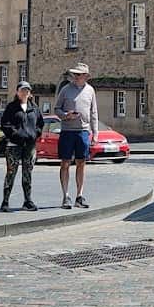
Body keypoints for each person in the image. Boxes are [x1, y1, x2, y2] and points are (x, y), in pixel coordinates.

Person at [54, 63, 97, 209]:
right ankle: (65, 196)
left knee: (81, 163)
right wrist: (66, 115)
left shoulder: (91, 91)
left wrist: (95, 133)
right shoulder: (65, 90)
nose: (76, 77)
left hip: (83, 131)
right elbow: (57, 109)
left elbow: (93, 113)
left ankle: (79, 196)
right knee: (65, 163)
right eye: (75, 74)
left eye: (80, 74)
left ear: (86, 76)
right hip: (67, 131)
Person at [0, 80, 43, 211]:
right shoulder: (11, 107)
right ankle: (5, 201)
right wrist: (16, 135)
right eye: (22, 90)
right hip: (14, 145)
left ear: (30, 93)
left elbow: (40, 124)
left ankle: (27, 200)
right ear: (17, 92)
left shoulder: (34, 108)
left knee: (27, 173)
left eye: (27, 90)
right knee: (11, 173)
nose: (25, 92)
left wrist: (35, 134)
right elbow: (5, 125)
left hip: (29, 145)